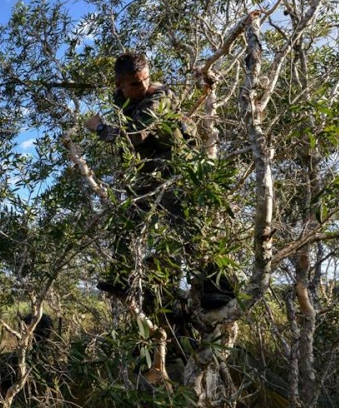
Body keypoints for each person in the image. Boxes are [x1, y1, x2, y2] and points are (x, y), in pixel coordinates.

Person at [85, 52, 235, 311]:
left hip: (174, 167)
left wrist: (99, 128)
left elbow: (135, 136)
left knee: (186, 224)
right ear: (119, 84)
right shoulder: (121, 98)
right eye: (134, 83)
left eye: (145, 79)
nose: (142, 86)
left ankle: (218, 286)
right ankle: (122, 277)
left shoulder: (160, 97)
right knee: (128, 222)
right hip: (147, 172)